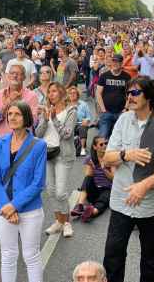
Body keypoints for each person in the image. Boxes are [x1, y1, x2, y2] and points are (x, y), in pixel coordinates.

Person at [102, 76, 154, 282]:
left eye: (135, 92)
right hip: (122, 202)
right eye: (128, 93)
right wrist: (126, 154)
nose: (130, 96)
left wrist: (144, 185)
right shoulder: (123, 119)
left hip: (152, 204)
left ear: (148, 96)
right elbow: (107, 157)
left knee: (150, 259)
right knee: (113, 256)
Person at [0, 101, 47, 282]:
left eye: (17, 114)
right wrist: (5, 206)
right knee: (7, 255)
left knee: (31, 256)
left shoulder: (39, 145)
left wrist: (13, 205)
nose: (12, 118)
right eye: (10, 114)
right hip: (3, 208)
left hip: (30, 210)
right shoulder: (0, 142)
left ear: (26, 117)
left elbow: (38, 183)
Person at [35, 82, 77, 238]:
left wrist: (55, 119)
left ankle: (66, 222)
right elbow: (38, 134)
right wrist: (46, 120)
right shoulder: (45, 110)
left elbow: (67, 134)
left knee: (60, 192)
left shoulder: (71, 111)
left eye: (54, 91)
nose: (50, 94)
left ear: (61, 93)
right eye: (49, 92)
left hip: (63, 155)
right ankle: (58, 221)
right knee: (51, 191)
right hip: (46, 154)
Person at [70, 135, 113, 222]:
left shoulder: (111, 157)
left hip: (107, 188)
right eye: (101, 144)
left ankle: (92, 212)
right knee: (87, 179)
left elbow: (113, 178)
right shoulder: (90, 159)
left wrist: (103, 167)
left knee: (104, 200)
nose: (105, 145)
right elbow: (88, 178)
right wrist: (92, 167)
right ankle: (80, 206)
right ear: (94, 147)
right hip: (94, 190)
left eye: (106, 143)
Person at [0, 64, 39, 136]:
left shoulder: (32, 96)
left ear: (24, 77)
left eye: (18, 74)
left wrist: (20, 106)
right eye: (12, 73)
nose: (15, 76)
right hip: (3, 141)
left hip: (24, 141)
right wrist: (7, 104)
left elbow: (33, 122)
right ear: (8, 76)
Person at [96, 54, 131, 139]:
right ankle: (102, 152)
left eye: (117, 62)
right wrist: (103, 109)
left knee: (121, 137)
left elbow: (130, 94)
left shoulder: (127, 77)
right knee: (102, 137)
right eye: (113, 61)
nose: (115, 64)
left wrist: (126, 109)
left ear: (121, 63)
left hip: (121, 112)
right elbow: (98, 93)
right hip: (106, 112)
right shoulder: (104, 76)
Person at [67, 85, 94, 156]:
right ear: (68, 95)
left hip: (80, 124)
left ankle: (82, 148)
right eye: (70, 93)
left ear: (77, 95)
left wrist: (86, 120)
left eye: (74, 93)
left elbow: (89, 117)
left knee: (82, 128)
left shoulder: (83, 104)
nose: (72, 95)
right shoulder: (66, 105)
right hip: (68, 125)